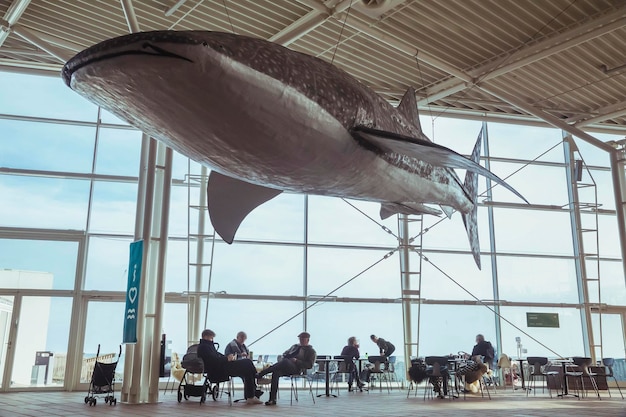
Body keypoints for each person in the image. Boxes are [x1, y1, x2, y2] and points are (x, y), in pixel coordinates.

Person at [196, 329, 263, 405]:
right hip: (219, 369)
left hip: (221, 366)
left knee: (247, 368)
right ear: (205, 337)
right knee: (247, 362)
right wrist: (227, 359)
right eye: (211, 338)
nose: (212, 340)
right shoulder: (204, 347)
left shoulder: (207, 346)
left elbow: (216, 356)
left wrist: (228, 358)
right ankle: (256, 378)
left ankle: (251, 396)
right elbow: (213, 361)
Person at [256, 332, 317, 406]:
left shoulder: (311, 351)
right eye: (300, 339)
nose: (301, 340)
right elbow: (285, 353)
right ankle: (272, 399)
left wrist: (297, 361)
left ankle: (262, 373)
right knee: (276, 372)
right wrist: (285, 356)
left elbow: (309, 365)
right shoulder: (294, 346)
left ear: (308, 340)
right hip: (286, 366)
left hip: (297, 369)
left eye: (303, 339)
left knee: (285, 361)